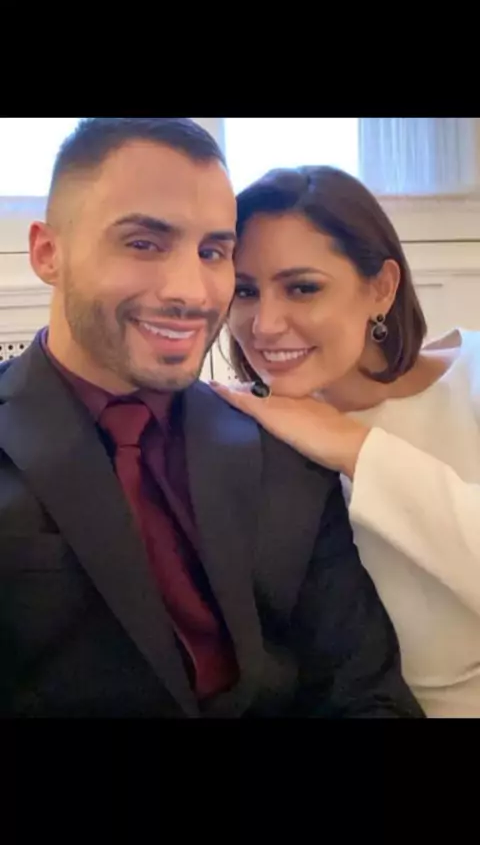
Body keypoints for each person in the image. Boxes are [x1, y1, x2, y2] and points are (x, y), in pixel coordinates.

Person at [0, 119, 421, 719]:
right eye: (144, 243)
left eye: (213, 252)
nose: (192, 292)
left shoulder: (279, 446)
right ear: (48, 253)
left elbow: (366, 692)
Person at [212, 163, 480, 718]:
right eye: (245, 291)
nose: (264, 324)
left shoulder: (472, 378)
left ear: (381, 288)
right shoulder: (239, 427)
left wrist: (355, 449)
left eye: (302, 288)